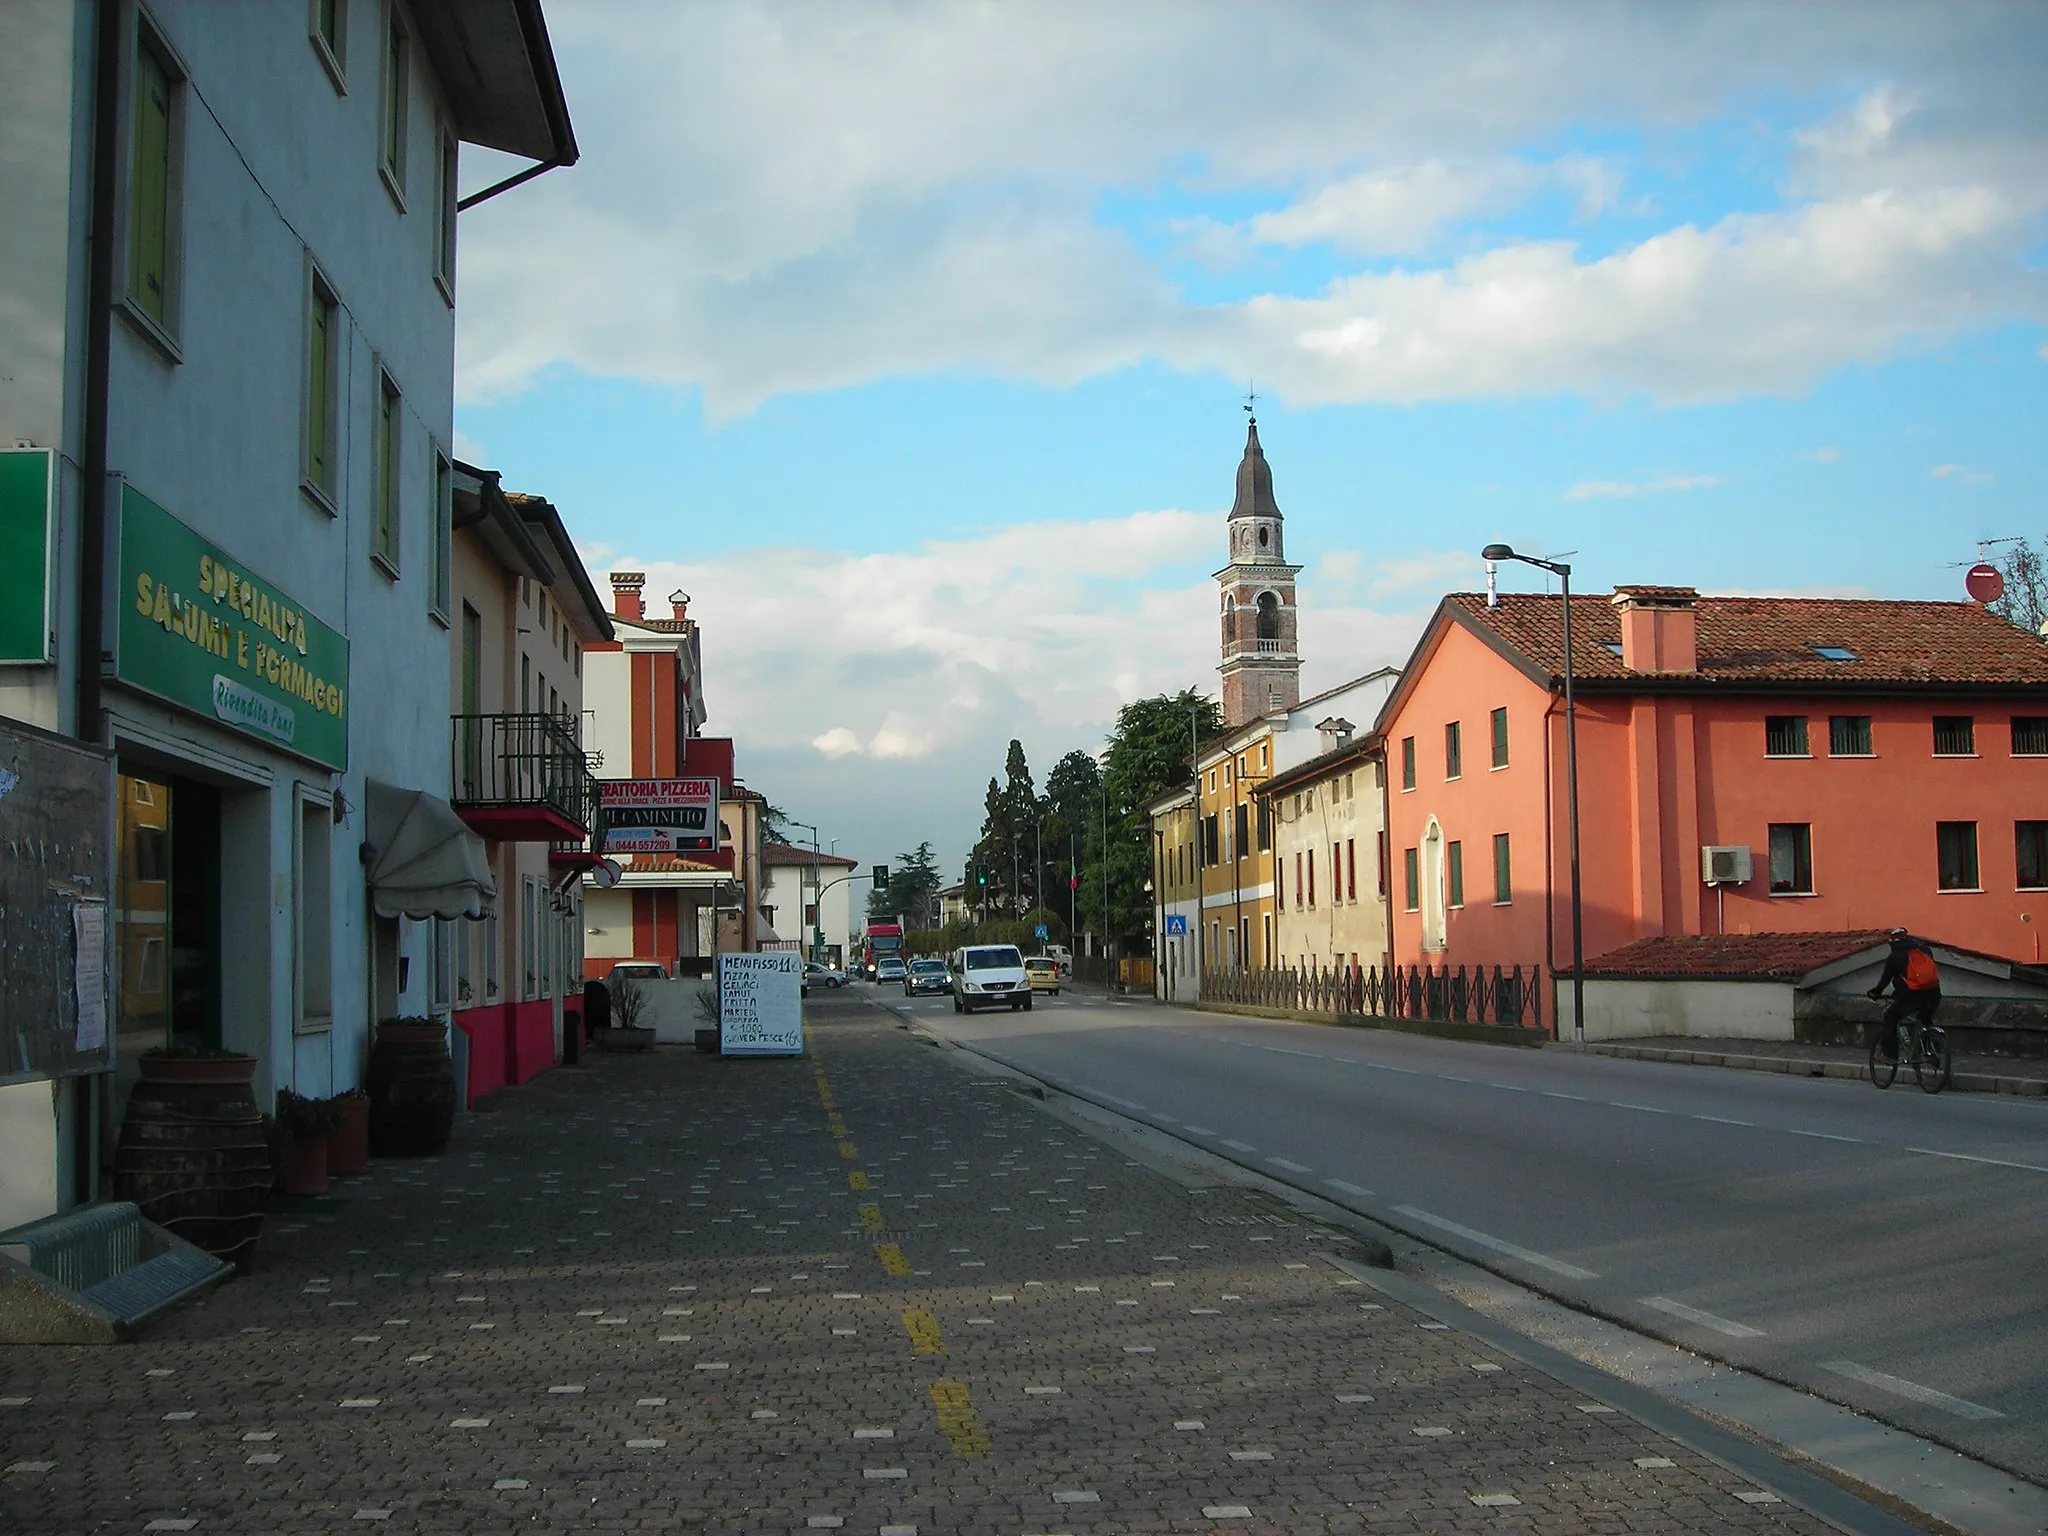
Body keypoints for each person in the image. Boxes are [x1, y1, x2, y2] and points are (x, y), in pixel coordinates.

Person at [1867, 928, 1940, 1061]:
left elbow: (1884, 980)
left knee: (1890, 1017)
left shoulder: (1894, 957)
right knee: (1925, 1018)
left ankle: (1890, 1055)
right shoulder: (1926, 951)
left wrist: (1875, 993)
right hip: (1934, 995)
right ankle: (1933, 1048)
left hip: (1910, 998)